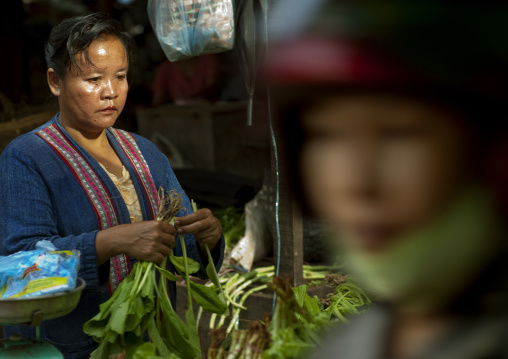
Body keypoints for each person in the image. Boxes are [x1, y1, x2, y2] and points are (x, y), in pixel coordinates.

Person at [267, 1, 508, 358]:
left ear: (489, 151)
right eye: (326, 135)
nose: (357, 183)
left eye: (400, 134)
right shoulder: (350, 345)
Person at [0, 13, 224, 359]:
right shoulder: (27, 157)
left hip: (149, 339)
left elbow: (181, 250)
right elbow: (22, 261)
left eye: (120, 77)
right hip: (71, 345)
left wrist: (206, 237)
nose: (110, 92)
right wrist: (110, 242)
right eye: (93, 79)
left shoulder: (144, 152)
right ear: (55, 81)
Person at [151, 54, 220, 106]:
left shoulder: (207, 60)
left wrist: (194, 98)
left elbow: (212, 87)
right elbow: (158, 99)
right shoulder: (165, 68)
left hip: (207, 110)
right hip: (179, 115)